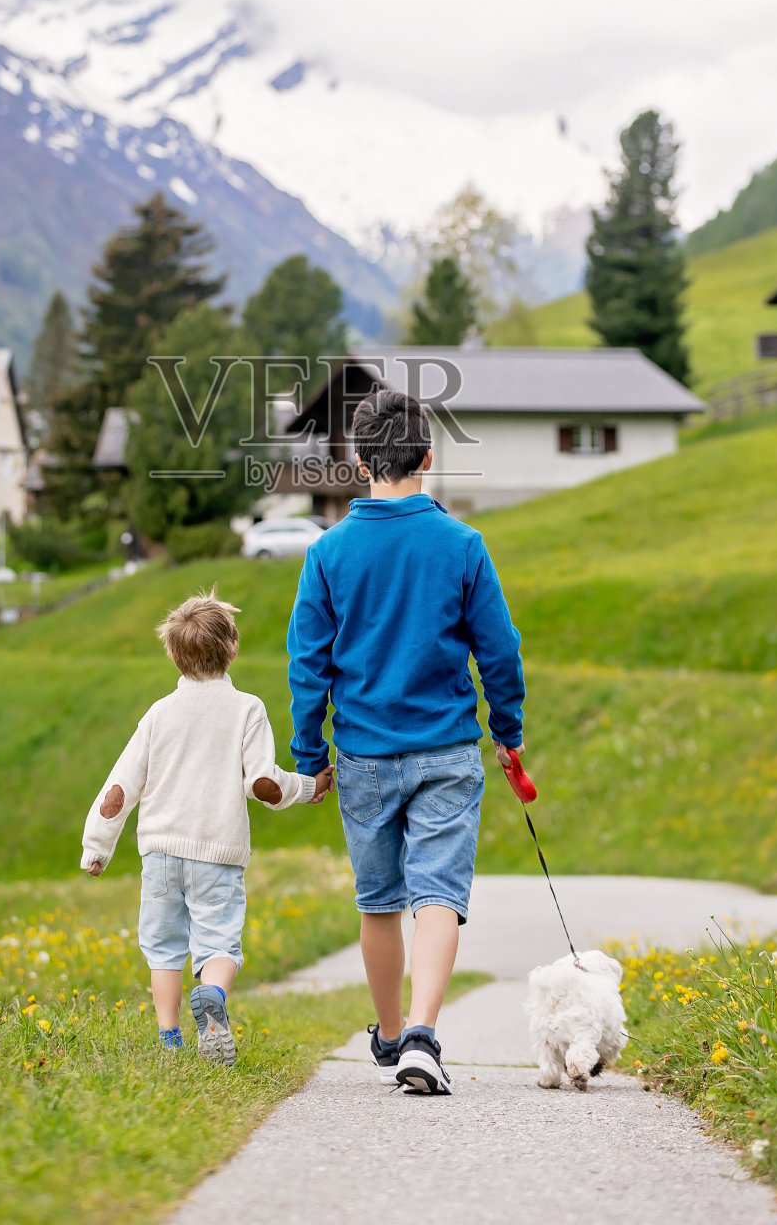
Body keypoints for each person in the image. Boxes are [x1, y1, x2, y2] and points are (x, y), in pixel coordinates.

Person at [287, 385, 526, 1095]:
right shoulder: (461, 544)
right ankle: (424, 1033)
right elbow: (499, 651)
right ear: (426, 456)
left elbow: (308, 665)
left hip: (361, 754)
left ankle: (391, 1038)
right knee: (438, 897)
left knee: (378, 902)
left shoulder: (328, 552)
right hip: (446, 750)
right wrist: (506, 730)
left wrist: (310, 756)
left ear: (360, 463)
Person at [81, 589, 334, 1064]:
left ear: (172, 655)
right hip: (217, 852)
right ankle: (213, 994)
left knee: (163, 948)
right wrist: (308, 785)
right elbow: (262, 783)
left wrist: (96, 847)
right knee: (218, 941)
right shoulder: (247, 708)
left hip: (160, 852)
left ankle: (170, 1040)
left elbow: (121, 786)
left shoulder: (159, 714)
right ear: (233, 648)